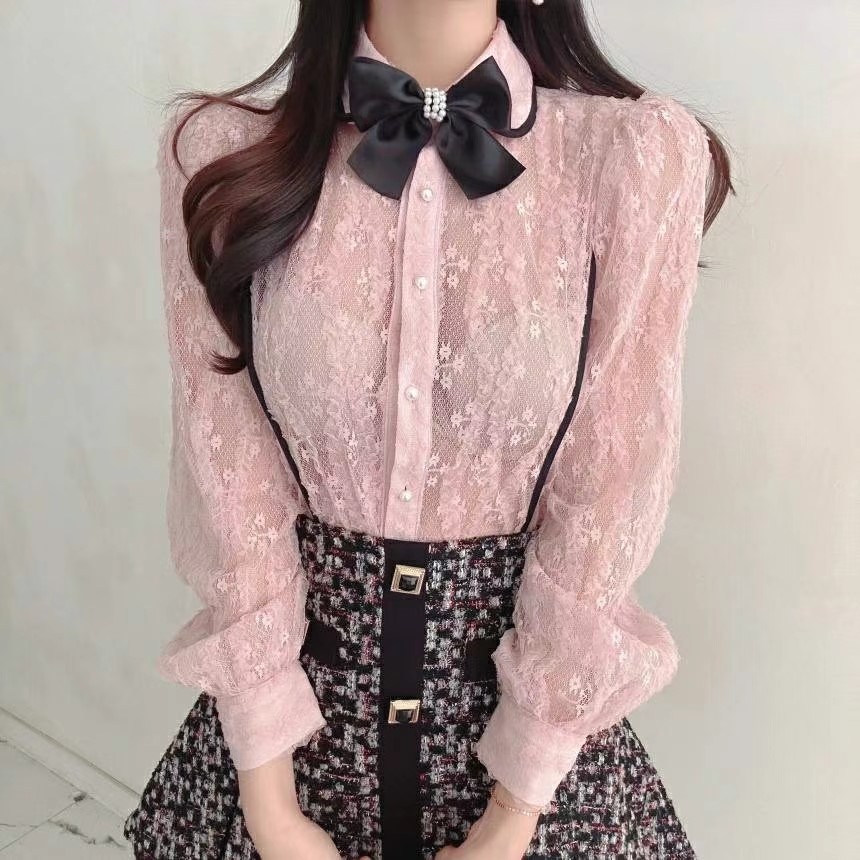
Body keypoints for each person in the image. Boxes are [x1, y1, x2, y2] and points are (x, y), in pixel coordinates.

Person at [124, 1, 732, 858]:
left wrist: (511, 816)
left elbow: (612, 483)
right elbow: (226, 472)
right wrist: (271, 809)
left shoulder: (631, 158)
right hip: (284, 753)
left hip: (533, 771)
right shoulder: (222, 155)